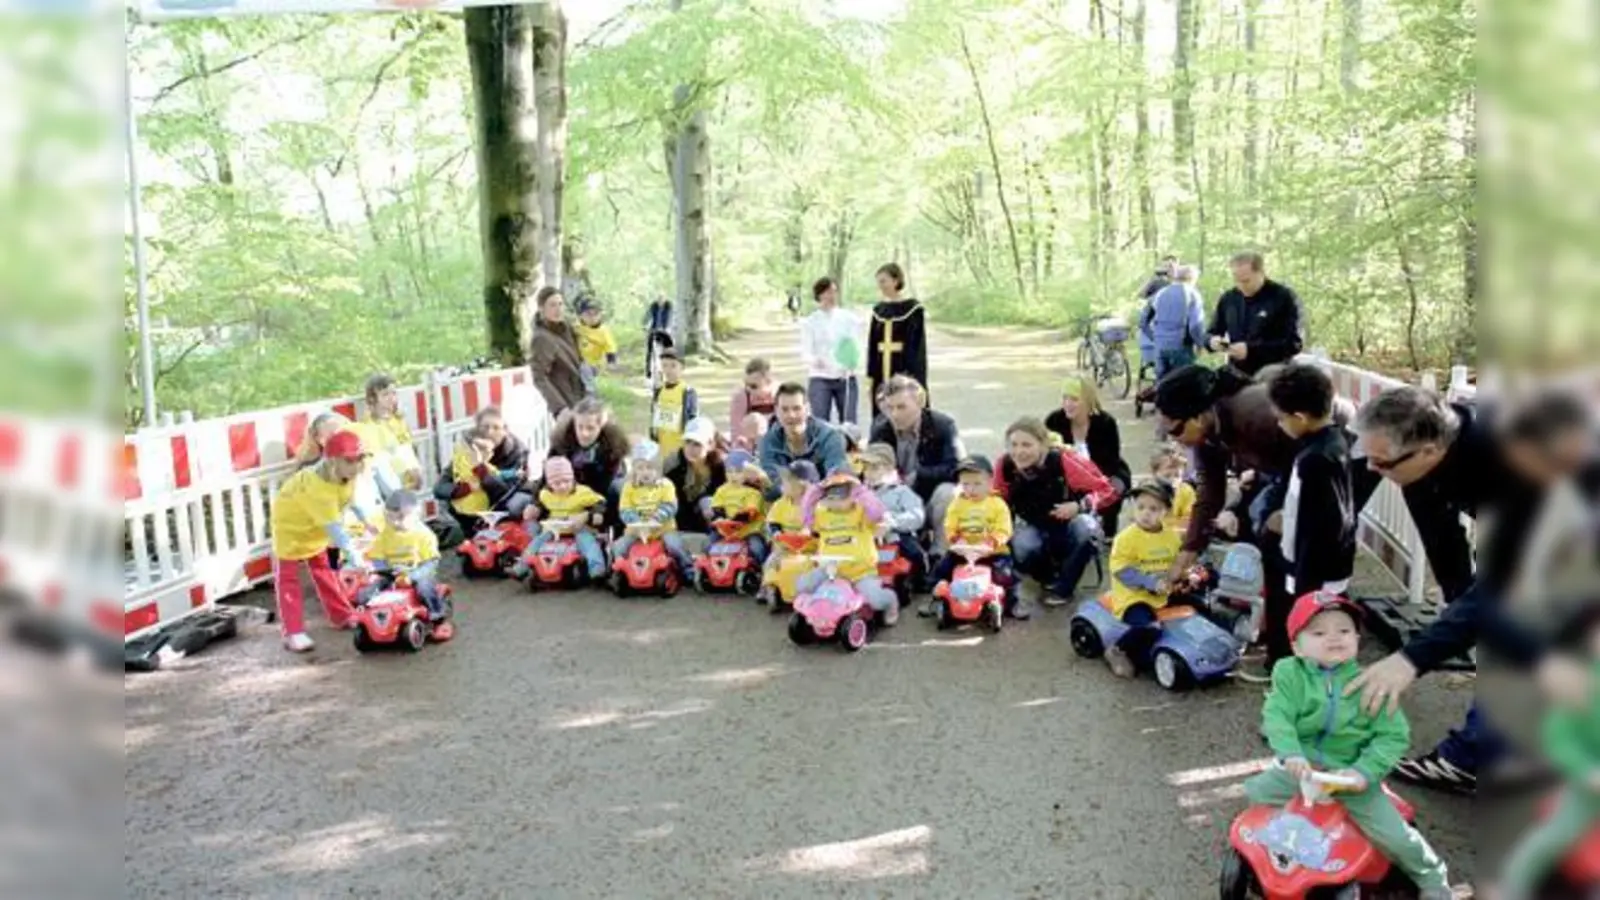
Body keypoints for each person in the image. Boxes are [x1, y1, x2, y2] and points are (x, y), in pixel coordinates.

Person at [1345, 386, 1599, 795]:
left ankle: (1476, 759)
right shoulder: (1419, 461)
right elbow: (1442, 540)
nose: (1371, 470)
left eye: (1380, 462)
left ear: (1428, 451)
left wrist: (1413, 657)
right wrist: (1458, 610)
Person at [1247, 591, 1453, 900]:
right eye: (1319, 632)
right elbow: (1277, 716)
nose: (1334, 638)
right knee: (1256, 794)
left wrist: (1363, 771)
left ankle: (1432, 877)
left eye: (1344, 630)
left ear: (1357, 638)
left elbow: (1393, 735)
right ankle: (1277, 857)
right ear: (1296, 646)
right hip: (1302, 770)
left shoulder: (1371, 683)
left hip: (1348, 776)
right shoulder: (1289, 674)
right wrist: (1290, 752)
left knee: (1395, 837)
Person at [1153, 364, 1304, 681]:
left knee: (1296, 556)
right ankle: (1280, 652)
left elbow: (1307, 456)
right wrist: (1188, 551)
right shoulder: (1208, 434)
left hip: (1346, 452)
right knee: (1270, 542)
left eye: (1177, 430)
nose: (1176, 440)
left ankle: (1295, 660)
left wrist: (1289, 512)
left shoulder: (1253, 413)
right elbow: (1210, 494)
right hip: (1287, 471)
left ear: (1198, 414)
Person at [1492, 611, 1600, 900]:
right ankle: (1511, 886)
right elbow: (1559, 737)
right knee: (1552, 837)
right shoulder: (1583, 685)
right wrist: (1586, 772)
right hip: (1590, 785)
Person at [991, 417, 1120, 617]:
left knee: (1087, 528)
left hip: (1069, 526)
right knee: (1021, 545)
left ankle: (1065, 587)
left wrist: (1079, 506)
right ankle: (1047, 577)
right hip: (1034, 526)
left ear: (1042, 445)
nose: (1019, 452)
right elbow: (996, 500)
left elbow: (1107, 490)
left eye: (1027, 444)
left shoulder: (1063, 461)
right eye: (1014, 445)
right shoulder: (1005, 465)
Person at [268, 430, 377, 652]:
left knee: (324, 571)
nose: (356, 466)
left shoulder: (345, 477)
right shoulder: (318, 488)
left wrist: (366, 520)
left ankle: (341, 615)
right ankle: (293, 632)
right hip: (291, 529)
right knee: (288, 580)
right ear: (332, 461)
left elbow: (350, 500)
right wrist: (353, 555)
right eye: (350, 460)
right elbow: (335, 528)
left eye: (359, 459)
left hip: (315, 526)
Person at [1267, 364, 1355, 600]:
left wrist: (1306, 588)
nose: (1279, 424)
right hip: (1327, 567)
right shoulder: (1335, 442)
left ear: (1300, 418)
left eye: (1281, 418)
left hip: (1315, 575)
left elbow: (1319, 530)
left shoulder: (1315, 460)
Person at [868, 374, 961, 556]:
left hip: (928, 496)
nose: (894, 414)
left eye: (901, 407)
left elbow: (956, 468)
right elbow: (869, 466)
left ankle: (939, 554)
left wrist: (919, 475)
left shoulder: (943, 425)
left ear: (919, 402)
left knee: (949, 492)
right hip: (893, 502)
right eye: (889, 408)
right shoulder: (881, 428)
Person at [797, 469, 899, 626]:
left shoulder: (861, 513)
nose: (836, 502)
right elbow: (806, 514)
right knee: (803, 585)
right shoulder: (822, 514)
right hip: (830, 569)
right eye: (830, 497)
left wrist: (859, 489)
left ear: (852, 496)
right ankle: (816, 614)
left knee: (875, 600)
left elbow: (877, 512)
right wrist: (817, 488)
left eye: (841, 497)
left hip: (860, 572)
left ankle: (891, 601)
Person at [1102, 481, 1184, 678]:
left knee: (1201, 608)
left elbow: (1179, 561)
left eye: (1154, 509)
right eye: (1141, 507)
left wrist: (1188, 574)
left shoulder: (1171, 537)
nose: (1146, 513)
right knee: (1149, 628)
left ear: (1166, 511)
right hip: (1134, 597)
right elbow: (1122, 570)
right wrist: (1152, 583)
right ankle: (1117, 650)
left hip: (1164, 592)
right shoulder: (1126, 538)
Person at [928, 455, 1019, 616]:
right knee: (943, 568)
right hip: (963, 550)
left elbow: (1004, 528)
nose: (971, 489)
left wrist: (992, 541)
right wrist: (955, 538)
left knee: (1005, 574)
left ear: (990, 482)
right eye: (966, 484)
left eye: (977, 484)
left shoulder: (997, 504)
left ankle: (1013, 603)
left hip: (992, 552)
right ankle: (937, 597)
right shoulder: (957, 504)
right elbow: (950, 524)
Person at [1043, 377, 1132, 537]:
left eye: (1074, 399)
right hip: (1068, 477)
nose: (1068, 404)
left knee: (1114, 487)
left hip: (1105, 472)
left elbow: (1111, 462)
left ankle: (1109, 530)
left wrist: (1091, 484)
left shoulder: (1105, 423)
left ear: (1087, 401)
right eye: (1065, 398)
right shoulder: (1054, 421)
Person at [1205, 251, 1304, 378]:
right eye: (1237, 280)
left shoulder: (1284, 297)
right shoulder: (1229, 299)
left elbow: (1294, 344)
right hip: (1236, 375)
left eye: (1246, 281)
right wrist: (1212, 341)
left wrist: (1251, 350)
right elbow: (1210, 332)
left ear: (1261, 273)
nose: (1241, 286)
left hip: (1274, 376)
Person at [437, 406, 534, 533]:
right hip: (470, 502)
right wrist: (462, 489)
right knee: (446, 502)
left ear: (505, 430)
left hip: (503, 502)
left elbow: (505, 491)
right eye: (485, 427)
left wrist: (481, 470)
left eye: (496, 427)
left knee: (517, 502)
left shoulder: (518, 451)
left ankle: (511, 533)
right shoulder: (467, 451)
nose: (490, 432)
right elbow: (439, 488)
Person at [515, 456, 608, 583]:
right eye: (557, 483)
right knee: (537, 541)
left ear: (572, 478)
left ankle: (597, 568)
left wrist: (592, 514)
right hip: (554, 528)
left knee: (588, 542)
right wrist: (534, 509)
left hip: (576, 526)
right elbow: (539, 504)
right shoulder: (545, 494)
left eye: (566, 481)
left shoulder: (582, 492)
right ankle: (523, 565)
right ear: (549, 483)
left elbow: (600, 502)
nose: (563, 486)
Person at [365, 489, 448, 624]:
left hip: (417, 572)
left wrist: (412, 576)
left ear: (416, 515)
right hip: (392, 574)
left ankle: (436, 612)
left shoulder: (423, 535)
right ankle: (369, 616)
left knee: (424, 587)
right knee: (369, 590)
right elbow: (378, 558)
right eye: (391, 518)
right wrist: (380, 570)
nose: (396, 523)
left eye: (401, 518)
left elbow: (431, 562)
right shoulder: (385, 535)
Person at [613, 440, 696, 576]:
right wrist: (636, 522)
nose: (645, 472)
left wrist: (656, 518)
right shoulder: (629, 487)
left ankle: (687, 568)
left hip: (662, 529)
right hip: (636, 531)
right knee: (619, 546)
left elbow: (670, 505)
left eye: (649, 468)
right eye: (640, 468)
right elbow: (625, 509)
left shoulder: (666, 485)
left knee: (674, 545)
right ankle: (618, 570)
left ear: (657, 469)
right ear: (634, 470)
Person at [542, 397, 631, 522]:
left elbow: (604, 485)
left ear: (601, 427)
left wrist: (587, 512)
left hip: (602, 489)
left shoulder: (613, 446)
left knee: (617, 489)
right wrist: (535, 503)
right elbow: (547, 473)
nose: (584, 433)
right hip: (568, 487)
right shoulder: (561, 440)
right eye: (580, 427)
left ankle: (613, 528)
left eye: (590, 428)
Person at [757, 382, 850, 499]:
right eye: (785, 409)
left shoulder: (830, 437)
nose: (791, 415)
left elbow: (836, 476)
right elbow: (771, 484)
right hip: (786, 503)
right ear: (776, 411)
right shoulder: (768, 442)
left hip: (824, 502)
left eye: (797, 408)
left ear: (807, 409)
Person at [859, 443, 927, 591]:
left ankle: (919, 579)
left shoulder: (901, 491)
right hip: (866, 535)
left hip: (895, 534)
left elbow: (917, 516)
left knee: (913, 553)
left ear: (890, 468)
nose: (869, 473)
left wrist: (892, 522)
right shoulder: (860, 493)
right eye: (866, 468)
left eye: (875, 468)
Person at [799, 276, 864, 425]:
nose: (832, 296)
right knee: (820, 422)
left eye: (834, 291)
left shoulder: (849, 319)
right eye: (827, 292)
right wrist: (817, 361)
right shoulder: (810, 322)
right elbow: (805, 352)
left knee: (849, 422)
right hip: (820, 377)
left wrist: (853, 361)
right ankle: (823, 447)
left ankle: (849, 446)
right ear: (819, 295)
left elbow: (857, 345)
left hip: (846, 376)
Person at [757, 460, 819, 610]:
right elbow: (773, 522)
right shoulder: (781, 504)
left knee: (818, 566)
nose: (782, 484)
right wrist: (777, 532)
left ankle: (814, 590)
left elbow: (821, 525)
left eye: (787, 481)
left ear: (802, 485)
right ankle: (768, 586)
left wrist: (809, 531)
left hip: (810, 547)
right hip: (786, 546)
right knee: (772, 561)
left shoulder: (816, 505)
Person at [867, 262, 930, 407]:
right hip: (880, 372)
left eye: (884, 281)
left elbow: (917, 348)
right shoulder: (878, 311)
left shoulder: (913, 309)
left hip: (903, 369)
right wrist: (871, 378)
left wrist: (914, 380)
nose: (880, 285)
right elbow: (872, 346)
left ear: (896, 281)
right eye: (879, 282)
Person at [1140, 264, 1208, 380]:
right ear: (1192, 278)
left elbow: (1143, 322)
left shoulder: (1160, 294)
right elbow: (1195, 326)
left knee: (1162, 385)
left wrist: (1155, 337)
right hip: (1181, 347)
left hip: (1160, 347)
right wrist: (1201, 344)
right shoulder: (1192, 294)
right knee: (1182, 385)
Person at [359, 374, 423, 494]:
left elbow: (407, 446)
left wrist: (414, 469)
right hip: (388, 486)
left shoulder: (398, 420)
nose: (391, 398)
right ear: (372, 399)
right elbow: (380, 458)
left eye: (393, 393)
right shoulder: (369, 426)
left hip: (406, 479)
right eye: (385, 394)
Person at [530, 286, 588, 417]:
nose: (558, 309)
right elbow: (539, 376)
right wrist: (560, 408)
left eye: (560, 304)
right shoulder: (541, 338)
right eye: (552, 305)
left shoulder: (567, 328)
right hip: (566, 403)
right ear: (541, 308)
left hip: (581, 396)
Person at [663, 416, 727, 534]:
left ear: (711, 444)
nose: (690, 449)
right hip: (681, 524)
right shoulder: (673, 466)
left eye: (697, 444)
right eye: (687, 442)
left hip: (716, 523)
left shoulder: (723, 467)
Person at [707, 449, 769, 563]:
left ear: (748, 473)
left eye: (738, 472)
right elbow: (717, 507)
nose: (733, 476)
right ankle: (706, 567)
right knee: (709, 544)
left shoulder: (753, 492)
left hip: (748, 530)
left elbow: (751, 511)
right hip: (725, 530)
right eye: (729, 472)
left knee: (756, 547)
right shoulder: (722, 490)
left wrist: (735, 521)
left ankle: (761, 567)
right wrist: (719, 517)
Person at [650, 348, 699, 458]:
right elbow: (654, 414)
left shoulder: (687, 392)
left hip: (681, 446)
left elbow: (693, 418)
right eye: (664, 366)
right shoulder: (659, 391)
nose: (668, 370)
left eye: (673, 366)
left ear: (682, 368)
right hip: (664, 444)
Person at [574, 297, 620, 395]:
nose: (592, 318)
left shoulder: (603, 331)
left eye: (595, 314)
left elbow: (610, 346)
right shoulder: (577, 328)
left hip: (594, 364)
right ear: (581, 316)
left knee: (584, 368)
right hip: (578, 361)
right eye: (588, 314)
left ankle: (591, 392)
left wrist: (611, 361)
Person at [1149, 444, 1197, 532]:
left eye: (1177, 467)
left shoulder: (1186, 490)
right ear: (1155, 471)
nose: (1175, 471)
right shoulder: (1147, 492)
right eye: (1170, 467)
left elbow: (1190, 520)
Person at [728, 357, 777, 437]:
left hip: (774, 439)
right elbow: (736, 430)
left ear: (769, 382)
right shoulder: (741, 396)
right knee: (755, 419)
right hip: (748, 442)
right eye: (746, 384)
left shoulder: (780, 395)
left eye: (753, 386)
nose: (748, 389)